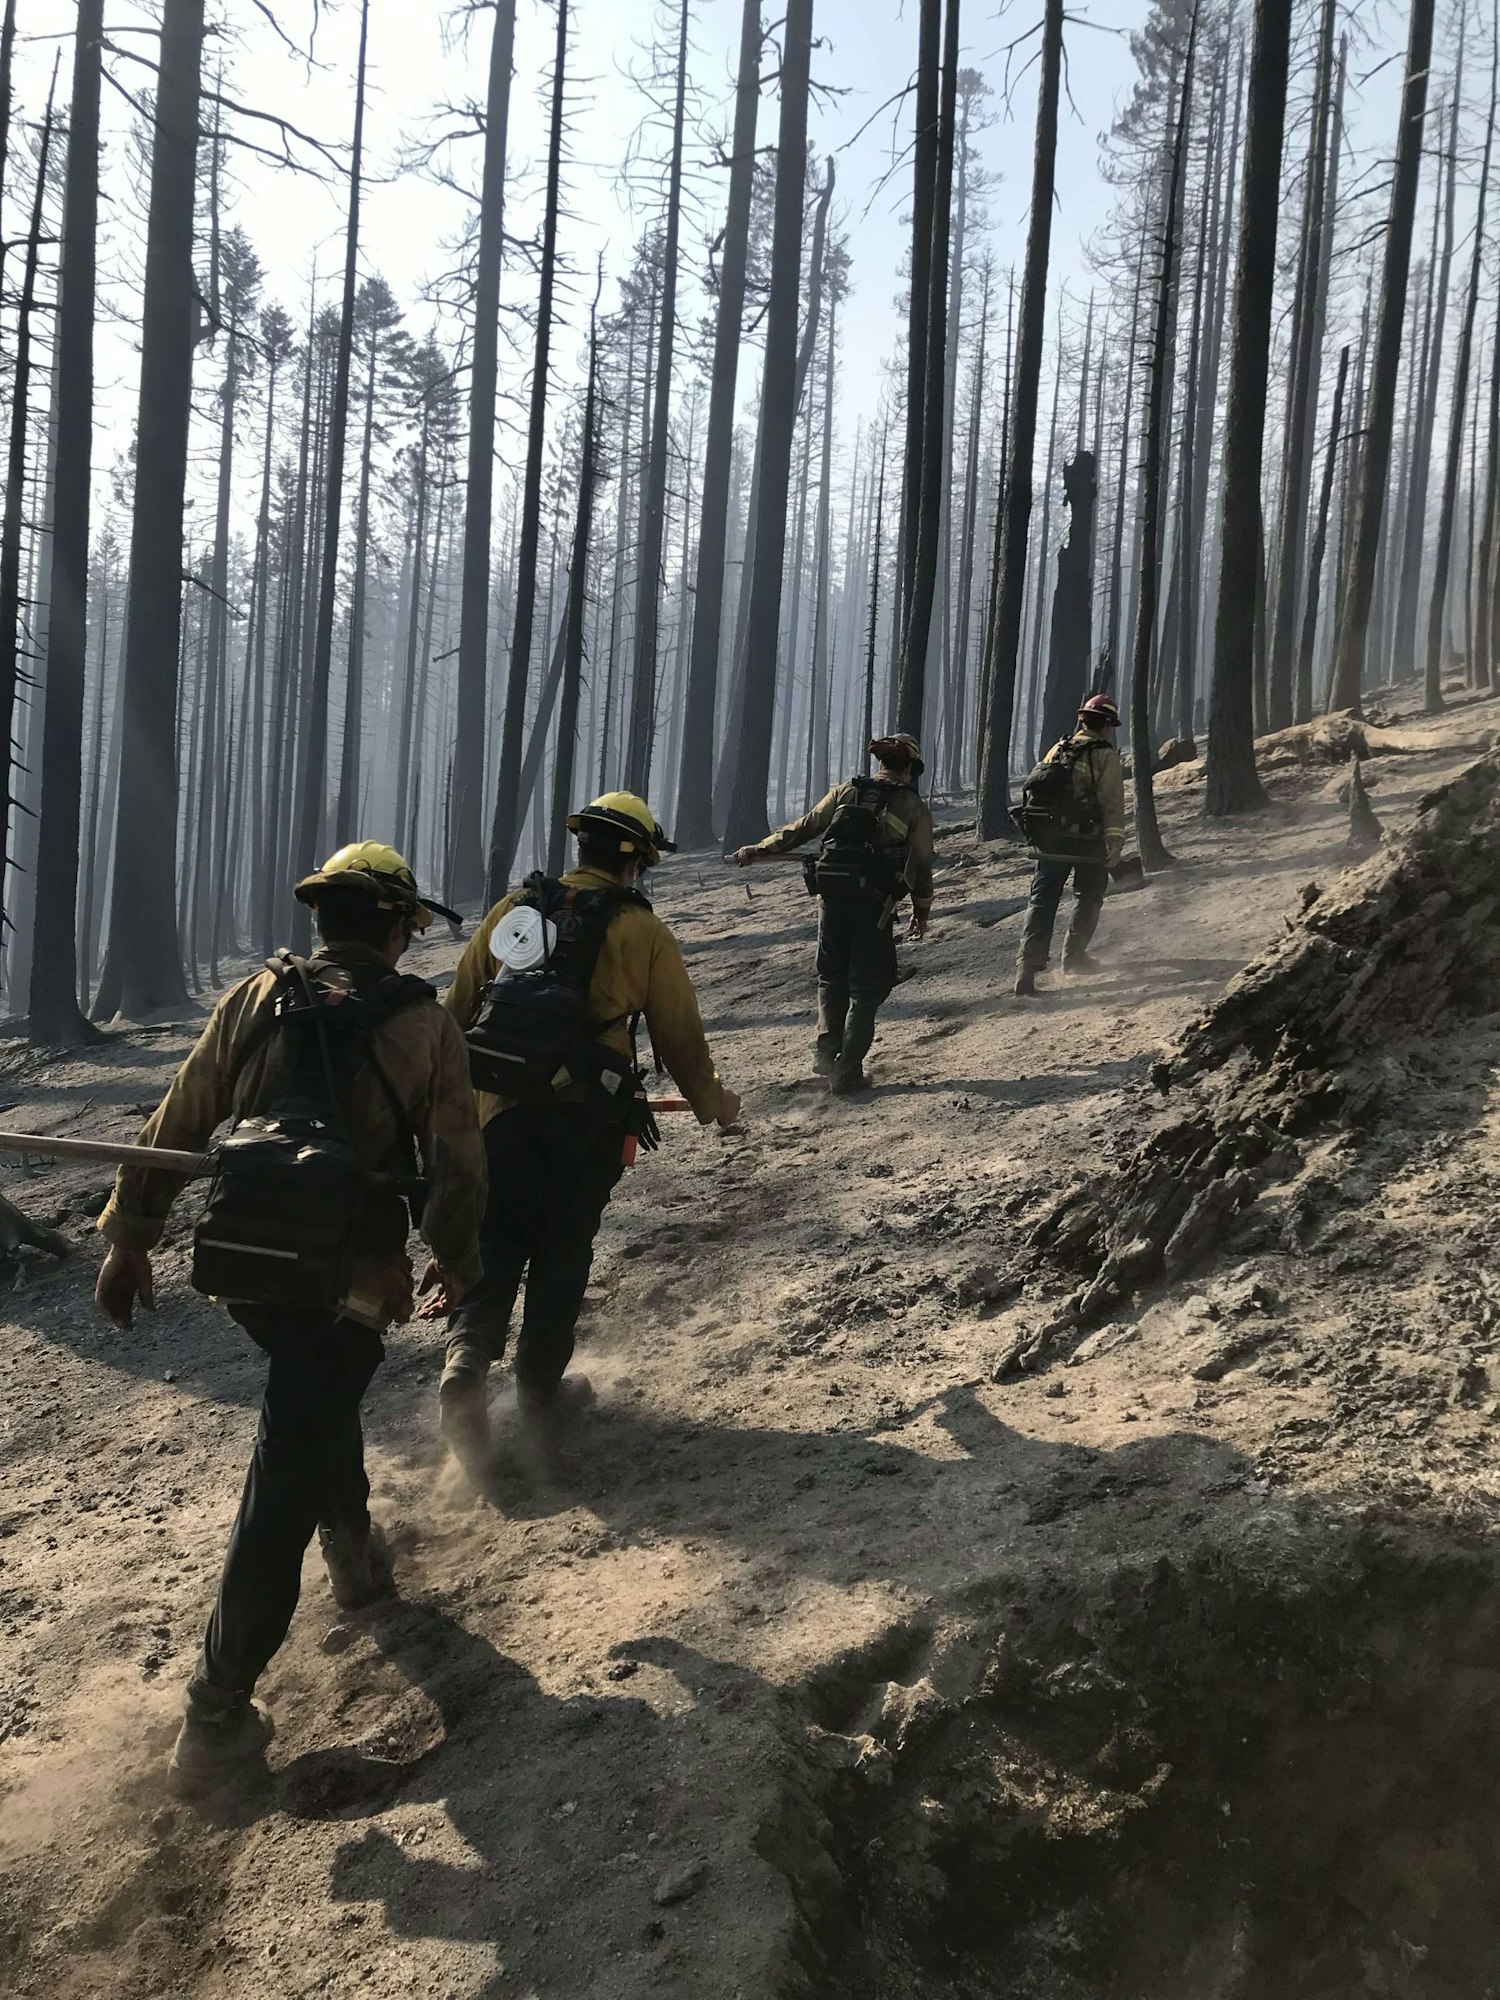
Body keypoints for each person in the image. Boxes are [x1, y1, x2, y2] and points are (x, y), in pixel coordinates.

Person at [94, 843, 487, 1800]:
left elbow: (176, 1123)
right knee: (284, 1474)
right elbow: (459, 1165)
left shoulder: (252, 998)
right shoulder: (426, 1024)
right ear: (395, 927)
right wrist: (460, 1264)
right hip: (348, 1280)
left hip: (248, 1274)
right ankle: (216, 1710)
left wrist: (130, 1237)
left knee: (314, 1405)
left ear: (325, 921)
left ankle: (353, 1552)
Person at [439, 791, 740, 1477]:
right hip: (586, 1123)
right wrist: (712, 1104)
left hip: (498, 1115)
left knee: (494, 1242)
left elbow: (456, 1013)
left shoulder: (511, 914)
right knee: (561, 1255)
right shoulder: (643, 931)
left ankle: (464, 1362)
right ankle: (538, 1396)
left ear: (582, 850)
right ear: (635, 862)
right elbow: (680, 1037)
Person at [729, 733, 934, 1095]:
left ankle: (826, 1052)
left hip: (831, 897)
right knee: (867, 989)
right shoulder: (913, 807)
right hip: (874, 907)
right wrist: (922, 910)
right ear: (909, 769)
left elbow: (803, 828)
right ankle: (848, 1072)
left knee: (831, 976)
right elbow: (921, 863)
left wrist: (758, 849)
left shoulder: (845, 792)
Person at [1014, 692, 1127, 997]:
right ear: (1105, 726)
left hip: (1050, 840)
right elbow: (1112, 804)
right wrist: (1115, 842)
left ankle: (1026, 967)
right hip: (1086, 840)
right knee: (1089, 896)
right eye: (1111, 726)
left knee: (1042, 900)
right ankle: (1074, 957)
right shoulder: (1105, 755)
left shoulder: (1057, 749)